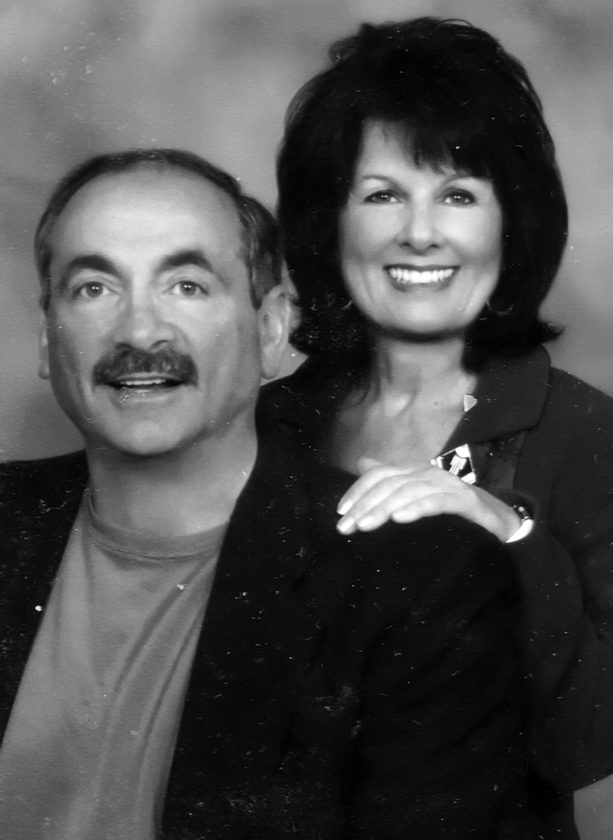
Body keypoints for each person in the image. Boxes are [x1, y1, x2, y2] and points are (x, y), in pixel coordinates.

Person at [0, 148, 537, 838]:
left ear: (273, 329)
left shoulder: (420, 578)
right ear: (47, 339)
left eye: (187, 286)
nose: (139, 330)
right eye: (93, 289)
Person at [260, 16, 613, 839]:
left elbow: (586, 741)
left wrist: (508, 532)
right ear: (328, 221)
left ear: (510, 222)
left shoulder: (580, 433)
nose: (418, 232)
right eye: (381, 194)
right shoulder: (267, 423)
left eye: (457, 195)